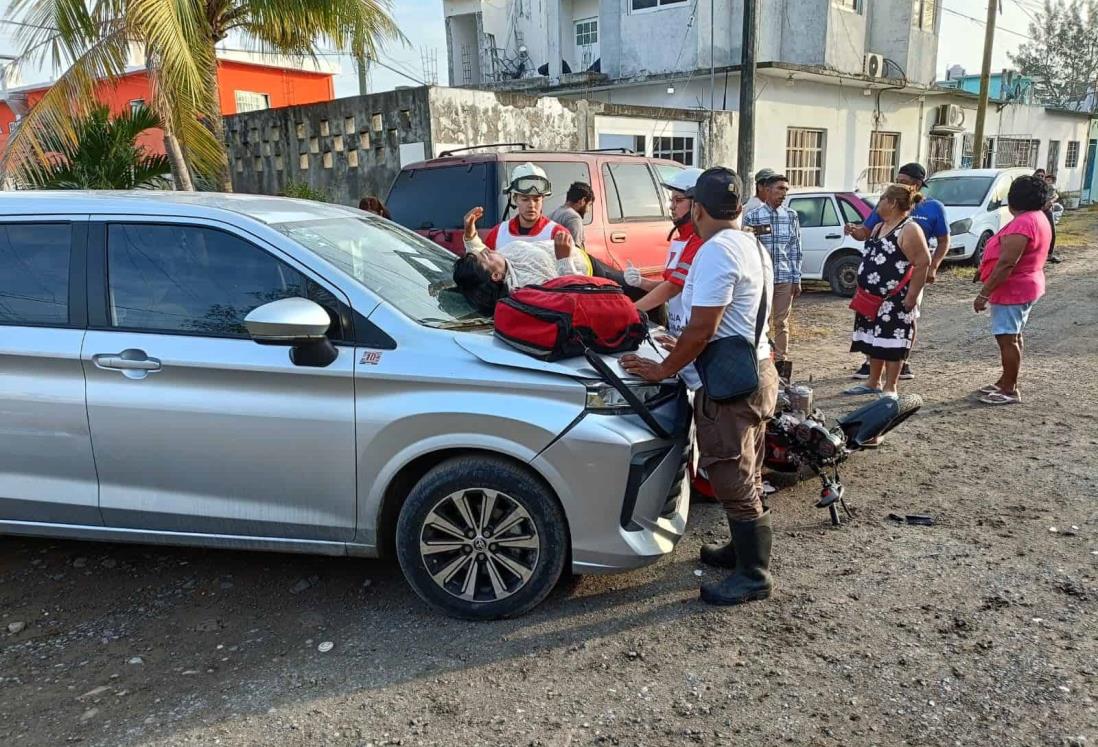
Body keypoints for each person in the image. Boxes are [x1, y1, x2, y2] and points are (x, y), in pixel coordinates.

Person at [621, 167, 778, 607]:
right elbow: (730, 322)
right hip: (755, 368)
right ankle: (740, 550)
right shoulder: (750, 245)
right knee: (748, 468)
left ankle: (754, 574)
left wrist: (663, 368)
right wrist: (684, 343)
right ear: (741, 208)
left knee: (730, 473)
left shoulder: (714, 251)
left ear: (700, 209)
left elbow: (703, 329)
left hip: (729, 385)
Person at [453, 163, 634, 314]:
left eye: (537, 199)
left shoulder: (556, 231)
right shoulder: (499, 232)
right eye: (525, 199)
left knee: (633, 290)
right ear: (514, 198)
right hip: (562, 300)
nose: (531, 205)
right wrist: (470, 235)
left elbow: (577, 280)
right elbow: (479, 268)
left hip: (589, 273)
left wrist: (470, 237)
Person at [844, 162, 949, 381]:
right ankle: (872, 372)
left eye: (903, 180)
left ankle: (901, 365)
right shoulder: (881, 220)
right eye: (897, 179)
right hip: (874, 293)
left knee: (901, 325)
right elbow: (864, 233)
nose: (898, 182)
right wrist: (854, 231)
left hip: (904, 283)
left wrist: (933, 267)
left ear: (917, 184)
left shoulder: (927, 213)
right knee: (875, 329)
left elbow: (938, 245)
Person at [843, 184, 931, 400]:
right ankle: (873, 381)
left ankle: (890, 387)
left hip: (894, 299)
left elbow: (923, 262)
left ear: (891, 203)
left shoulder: (909, 229)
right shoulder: (878, 227)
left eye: (882, 199)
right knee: (874, 340)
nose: (878, 203)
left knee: (893, 342)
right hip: (871, 299)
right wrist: (854, 231)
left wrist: (911, 296)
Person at [973, 175, 1052, 405]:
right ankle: (1006, 380)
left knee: (1008, 338)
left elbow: (1008, 262)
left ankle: (1009, 389)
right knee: (1014, 336)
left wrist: (983, 293)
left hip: (1013, 289)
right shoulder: (1036, 217)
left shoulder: (1024, 223)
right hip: (1024, 285)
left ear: (1013, 197)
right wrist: (984, 269)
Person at [624, 167, 705, 336]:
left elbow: (672, 288)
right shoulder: (680, 239)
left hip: (693, 335)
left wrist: (627, 312)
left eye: (678, 200)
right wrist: (641, 282)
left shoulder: (699, 239)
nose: (672, 207)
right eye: (671, 201)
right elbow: (672, 284)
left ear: (696, 203)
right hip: (678, 331)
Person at [743, 172, 801, 383]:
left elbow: (795, 249)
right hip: (761, 279)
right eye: (779, 189)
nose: (783, 194)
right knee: (761, 319)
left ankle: (782, 365)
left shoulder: (792, 216)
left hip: (785, 276)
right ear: (766, 190)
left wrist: (797, 278)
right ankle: (761, 359)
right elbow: (747, 248)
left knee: (782, 322)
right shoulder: (753, 216)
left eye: (786, 189)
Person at [548, 182, 595, 248]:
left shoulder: (553, 214)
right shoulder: (574, 218)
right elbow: (575, 251)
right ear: (583, 200)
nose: (588, 210)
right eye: (589, 205)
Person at [1043, 173, 1063, 264]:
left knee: (1051, 232)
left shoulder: (1051, 187)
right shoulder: (1045, 187)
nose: (1047, 182)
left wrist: (1052, 200)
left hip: (1047, 211)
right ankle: (1048, 253)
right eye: (1046, 180)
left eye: (1049, 180)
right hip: (1045, 210)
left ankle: (1049, 254)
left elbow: (1050, 199)